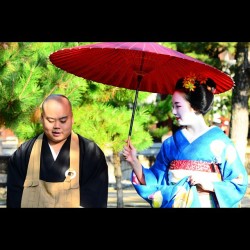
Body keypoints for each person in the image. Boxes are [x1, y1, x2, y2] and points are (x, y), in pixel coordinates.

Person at [122, 73, 248, 208]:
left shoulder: (221, 143)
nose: (174, 112)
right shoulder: (170, 145)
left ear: (195, 106)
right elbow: (156, 182)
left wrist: (210, 185)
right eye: (172, 106)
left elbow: (238, 182)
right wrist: (134, 161)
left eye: (178, 106)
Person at [7, 94, 109, 208]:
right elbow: (14, 200)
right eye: (50, 120)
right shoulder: (24, 154)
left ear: (72, 119)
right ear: (41, 118)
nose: (57, 126)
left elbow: (95, 201)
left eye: (63, 120)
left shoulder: (90, 153)